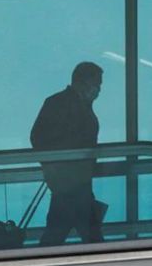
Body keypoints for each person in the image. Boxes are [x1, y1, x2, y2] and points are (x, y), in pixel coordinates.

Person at [30, 62, 106, 246]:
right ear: (82, 83)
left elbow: (38, 138)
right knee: (90, 239)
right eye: (96, 85)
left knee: (57, 235)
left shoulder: (64, 103)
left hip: (70, 184)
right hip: (72, 184)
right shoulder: (62, 104)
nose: (98, 91)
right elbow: (39, 138)